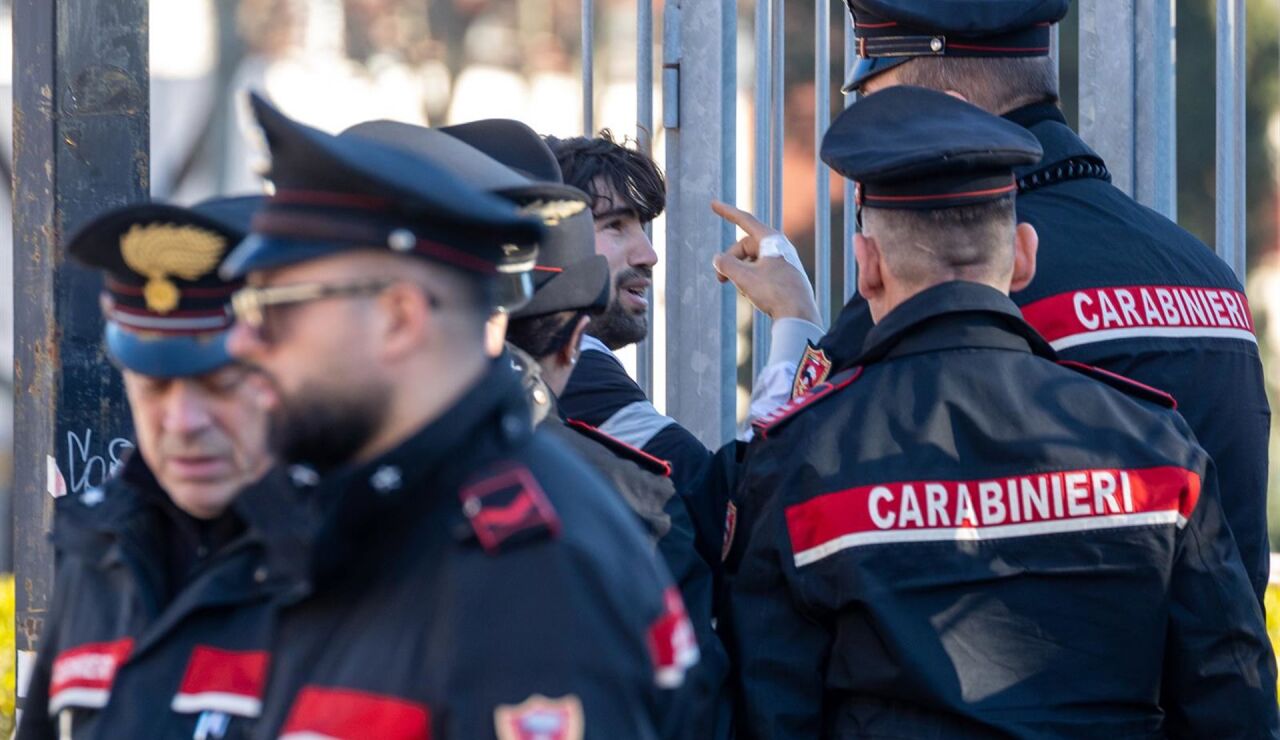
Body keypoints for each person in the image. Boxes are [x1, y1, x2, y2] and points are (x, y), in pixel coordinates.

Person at [725, 85, 1278, 739]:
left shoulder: (799, 465)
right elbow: (1234, 708)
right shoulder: (1159, 449)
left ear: (868, 266)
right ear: (1022, 255)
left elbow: (768, 714)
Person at [222, 95, 697, 739]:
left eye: (281, 307)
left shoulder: (534, 568)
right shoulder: (312, 511)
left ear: (398, 318)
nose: (245, 343)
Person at [818, 0, 1273, 603]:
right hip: (1203, 685)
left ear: (937, 107)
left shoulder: (953, 263)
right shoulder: (1211, 279)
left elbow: (808, 483)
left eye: (877, 97)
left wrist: (794, 322)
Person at [18, 196, 313, 740]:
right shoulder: (98, 548)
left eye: (220, 384)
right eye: (153, 386)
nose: (182, 420)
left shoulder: (355, 557)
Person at [547, 132, 824, 570]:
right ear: (550, 241)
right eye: (615, 226)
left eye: (643, 227)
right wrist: (796, 315)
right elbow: (736, 511)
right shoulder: (572, 364)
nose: (649, 254)